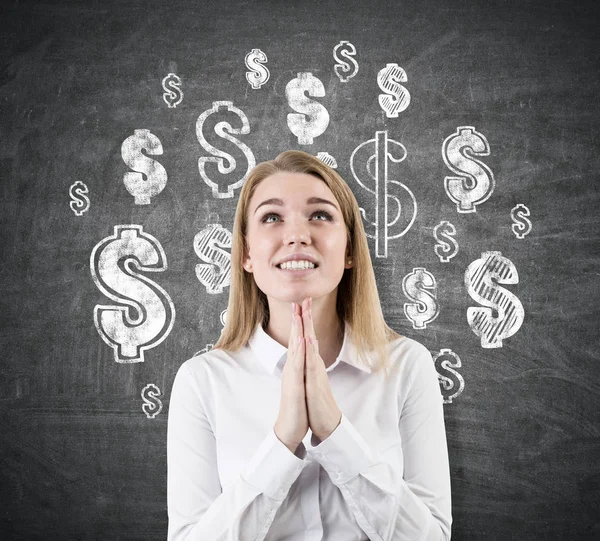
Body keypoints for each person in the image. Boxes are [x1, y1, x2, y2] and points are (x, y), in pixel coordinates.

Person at [167, 150, 452, 540]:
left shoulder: (406, 366)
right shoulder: (202, 382)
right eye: (271, 217)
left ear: (350, 250)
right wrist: (284, 440)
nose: (298, 235)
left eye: (320, 215)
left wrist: (334, 432)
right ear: (247, 253)